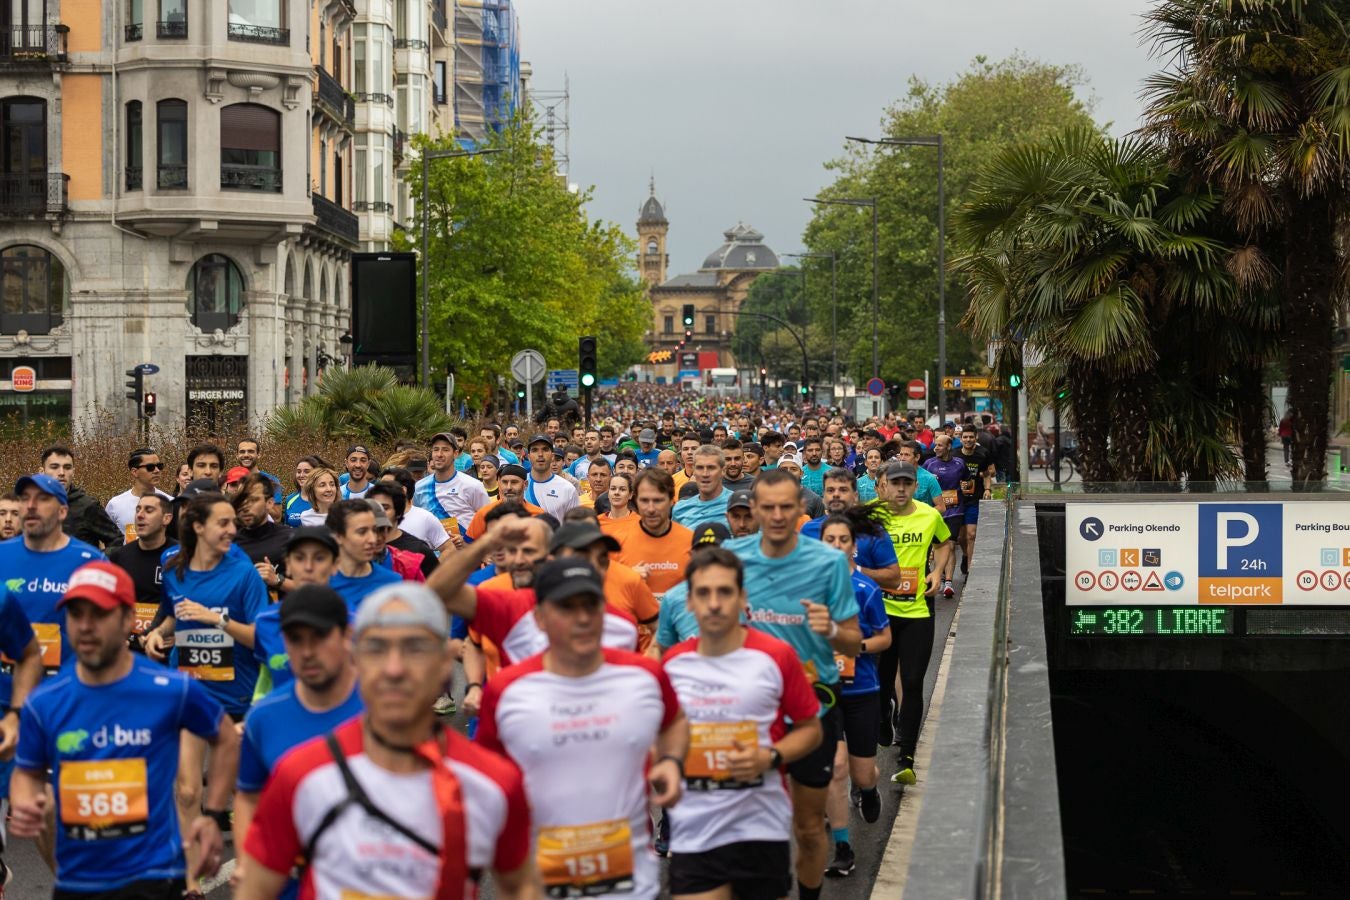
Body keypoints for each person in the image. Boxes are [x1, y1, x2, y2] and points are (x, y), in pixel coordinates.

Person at [238, 584, 536, 900]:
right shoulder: (300, 775)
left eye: (415, 648)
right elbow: (255, 890)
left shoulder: (493, 783)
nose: (395, 669)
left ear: (446, 662)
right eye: (377, 649)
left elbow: (521, 888)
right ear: (355, 660)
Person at [12, 561, 237, 898]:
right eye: (76, 613)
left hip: (155, 874)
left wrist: (214, 813)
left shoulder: (171, 689)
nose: (85, 626)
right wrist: (26, 800)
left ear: (128, 619)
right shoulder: (42, 702)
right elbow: (27, 773)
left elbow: (226, 738)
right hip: (78, 880)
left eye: (98, 614)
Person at [477, 557, 688, 900]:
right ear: (540, 618)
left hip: (633, 883)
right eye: (566, 607)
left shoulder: (644, 676)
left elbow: (675, 720)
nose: (583, 618)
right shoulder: (507, 690)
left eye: (591, 605)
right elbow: (489, 785)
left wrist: (671, 762)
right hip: (543, 883)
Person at [723, 468, 862, 900]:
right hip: (748, 709)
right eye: (769, 508)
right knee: (747, 829)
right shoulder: (733, 558)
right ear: (754, 510)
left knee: (806, 826)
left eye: (787, 506)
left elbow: (854, 644)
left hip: (811, 708)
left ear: (802, 509)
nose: (778, 515)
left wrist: (832, 631)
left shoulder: (828, 562)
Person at [662, 547, 823, 900]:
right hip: (694, 829)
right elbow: (660, 738)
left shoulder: (775, 656)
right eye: (703, 593)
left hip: (760, 828)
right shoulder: (672, 665)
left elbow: (811, 729)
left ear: (742, 598)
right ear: (688, 601)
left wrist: (771, 757)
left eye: (725, 592)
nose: (714, 603)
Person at [144, 492, 266, 895]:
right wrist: (156, 636)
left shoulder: (243, 571)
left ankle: (252, 871)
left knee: (242, 791)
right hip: (192, 693)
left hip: (238, 696)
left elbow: (260, 639)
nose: (233, 529)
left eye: (234, 522)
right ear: (198, 527)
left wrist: (216, 619)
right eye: (224, 523)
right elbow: (172, 616)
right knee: (186, 789)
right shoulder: (174, 568)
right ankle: (191, 880)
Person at [233, 584, 364, 893]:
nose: (306, 652)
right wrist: (244, 862)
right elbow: (249, 797)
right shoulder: (264, 717)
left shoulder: (385, 708)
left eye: (318, 638)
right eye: (295, 640)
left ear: (346, 636)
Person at [870, 461, 953, 782]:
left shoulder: (929, 515)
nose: (902, 488)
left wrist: (936, 571)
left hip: (918, 610)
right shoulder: (870, 516)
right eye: (896, 483)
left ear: (916, 486)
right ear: (885, 486)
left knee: (914, 681)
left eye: (908, 483)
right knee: (881, 682)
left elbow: (944, 543)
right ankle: (882, 716)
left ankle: (907, 755)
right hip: (880, 612)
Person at [818, 516, 892, 877]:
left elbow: (885, 639)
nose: (835, 545)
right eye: (828, 539)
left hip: (862, 690)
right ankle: (843, 848)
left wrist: (854, 645)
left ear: (853, 546)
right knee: (836, 768)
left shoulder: (866, 589)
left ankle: (869, 789)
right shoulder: (808, 589)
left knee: (862, 773)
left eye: (842, 539)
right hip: (823, 692)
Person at [0, 475, 106, 690]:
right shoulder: (3, 554)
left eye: (42, 499)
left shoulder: (91, 561)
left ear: (62, 512)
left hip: (64, 693)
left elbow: (107, 630)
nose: (30, 506)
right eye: (25, 498)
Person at [251, 527, 341, 698]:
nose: (308, 567)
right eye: (299, 558)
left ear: (335, 565)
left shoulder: (353, 621)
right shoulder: (265, 621)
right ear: (288, 565)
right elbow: (265, 682)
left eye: (319, 558)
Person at [549, 521, 660, 651]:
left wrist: (650, 659)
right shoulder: (530, 609)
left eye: (602, 559)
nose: (595, 567)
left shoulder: (623, 625)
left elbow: (662, 629)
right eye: (582, 558)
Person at [801, 468, 902, 593]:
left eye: (843, 490)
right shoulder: (808, 529)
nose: (836, 494)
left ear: (855, 496)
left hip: (862, 607)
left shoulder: (871, 530)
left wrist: (855, 569)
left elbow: (895, 580)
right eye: (830, 490)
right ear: (824, 497)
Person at [108, 495, 176, 651]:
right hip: (128, 649)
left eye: (149, 510)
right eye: (138, 509)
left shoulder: (179, 555)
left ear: (166, 519)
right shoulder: (119, 556)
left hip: (166, 646)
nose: (139, 515)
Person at [616, 468, 693, 598]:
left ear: (671, 502)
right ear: (635, 501)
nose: (651, 509)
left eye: (658, 501)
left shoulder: (690, 540)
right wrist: (627, 579)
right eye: (644, 501)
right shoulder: (617, 542)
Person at [325, 499, 403, 612]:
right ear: (338, 536)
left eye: (374, 530)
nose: (373, 539)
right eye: (362, 532)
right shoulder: (320, 583)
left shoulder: (392, 584)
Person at [414, 431, 490, 544]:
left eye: (445, 450)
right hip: (432, 556)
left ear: (455, 453)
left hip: (464, 554)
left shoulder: (472, 485)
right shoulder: (419, 487)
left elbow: (488, 522)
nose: (439, 454)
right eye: (436, 449)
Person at [41, 444, 121, 550]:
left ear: (73, 471)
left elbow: (117, 541)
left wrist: (94, 561)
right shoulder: (31, 506)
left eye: (67, 467)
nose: (61, 473)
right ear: (42, 471)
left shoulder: (87, 506)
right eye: (54, 467)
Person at [369, 484, 437, 579]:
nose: (378, 513)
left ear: (398, 512)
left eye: (385, 508)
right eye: (374, 507)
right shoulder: (361, 547)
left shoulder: (419, 550)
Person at [104, 447, 173, 542]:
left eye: (159, 466)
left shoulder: (170, 502)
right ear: (134, 472)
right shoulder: (115, 504)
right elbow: (104, 538)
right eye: (150, 467)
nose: (157, 470)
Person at [465, 464, 545, 541]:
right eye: (504, 482)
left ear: (525, 484)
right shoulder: (484, 513)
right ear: (499, 484)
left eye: (514, 482)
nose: (509, 487)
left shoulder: (538, 514)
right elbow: (468, 545)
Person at [233, 472, 291, 573]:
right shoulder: (228, 542)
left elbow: (306, 585)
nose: (245, 506)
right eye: (241, 499)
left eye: (253, 500)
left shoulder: (289, 538)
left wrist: (277, 581)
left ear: (269, 503)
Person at [957, 432, 997, 576]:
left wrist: (987, 489)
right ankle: (965, 555)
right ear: (961, 439)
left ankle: (970, 569)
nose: (968, 440)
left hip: (974, 499)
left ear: (976, 438)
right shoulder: (955, 455)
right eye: (965, 437)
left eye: (971, 437)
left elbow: (988, 474)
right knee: (961, 537)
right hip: (958, 499)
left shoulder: (982, 454)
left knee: (971, 534)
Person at [672, 445, 733, 530]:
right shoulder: (680, 508)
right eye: (700, 468)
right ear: (694, 470)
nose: (705, 474)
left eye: (711, 468)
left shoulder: (736, 505)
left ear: (723, 470)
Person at [522, 434, 579, 519]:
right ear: (529, 457)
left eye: (545, 449)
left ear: (552, 456)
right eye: (535, 450)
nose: (540, 454)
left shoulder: (568, 489)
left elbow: (574, 525)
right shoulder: (519, 484)